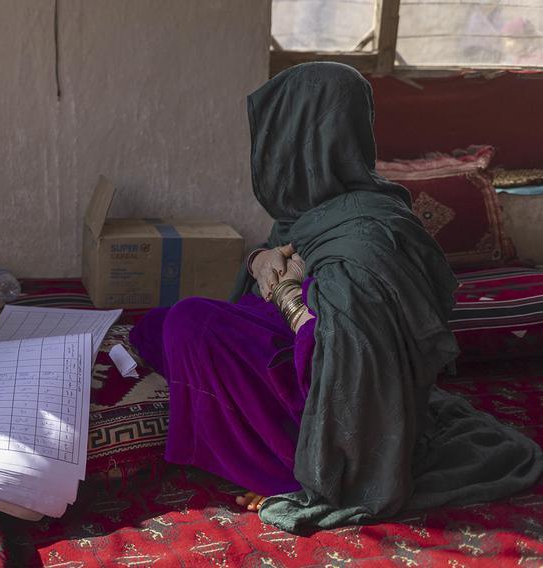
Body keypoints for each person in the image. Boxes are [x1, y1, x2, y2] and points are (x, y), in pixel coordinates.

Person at [129, 62, 542, 533]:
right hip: (311, 355)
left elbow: (349, 374)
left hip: (335, 409)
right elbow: (285, 265)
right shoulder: (324, 206)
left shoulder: (364, 241)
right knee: (157, 327)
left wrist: (286, 293)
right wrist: (259, 263)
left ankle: (284, 466)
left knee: (189, 323)